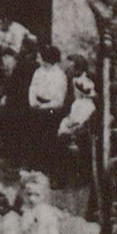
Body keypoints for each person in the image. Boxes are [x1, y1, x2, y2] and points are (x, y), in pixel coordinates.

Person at [27, 44, 69, 172]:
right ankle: (34, 166)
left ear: (48, 58)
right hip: (36, 106)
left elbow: (59, 101)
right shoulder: (39, 71)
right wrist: (32, 101)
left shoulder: (59, 76)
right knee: (34, 136)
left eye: (40, 57)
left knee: (49, 139)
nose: (38, 59)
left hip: (51, 110)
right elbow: (32, 87)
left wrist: (44, 106)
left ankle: (49, 169)